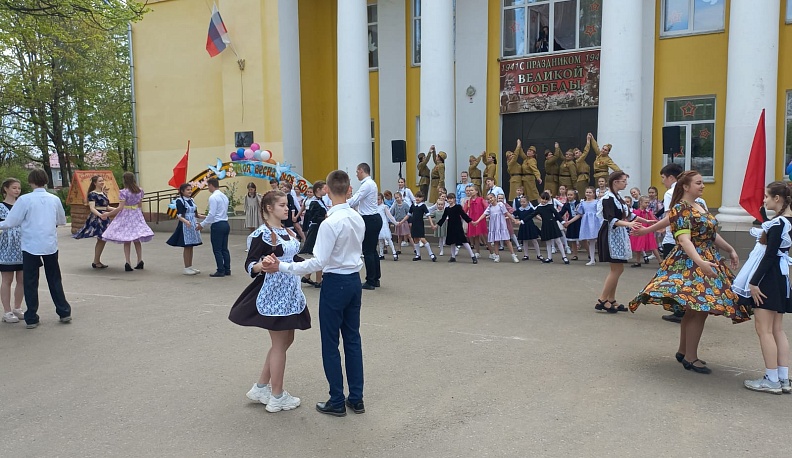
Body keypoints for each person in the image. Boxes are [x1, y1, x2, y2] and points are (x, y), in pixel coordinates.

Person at [261, 169, 366, 417]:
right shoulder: (357, 217)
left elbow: (317, 262)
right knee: (352, 339)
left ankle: (337, 399)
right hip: (353, 280)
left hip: (336, 282)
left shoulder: (331, 222)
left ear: (327, 190)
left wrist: (283, 266)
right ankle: (357, 398)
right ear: (349, 188)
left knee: (330, 343)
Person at [629, 171, 748, 374]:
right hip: (692, 262)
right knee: (699, 310)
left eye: (703, 182)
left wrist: (730, 249)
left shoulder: (698, 206)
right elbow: (684, 239)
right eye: (698, 183)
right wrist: (700, 261)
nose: (702, 186)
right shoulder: (681, 208)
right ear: (685, 186)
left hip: (705, 259)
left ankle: (684, 351)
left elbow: (711, 234)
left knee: (695, 310)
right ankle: (691, 357)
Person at [230, 190, 310, 413]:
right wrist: (261, 265)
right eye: (282, 205)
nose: (287, 209)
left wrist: (311, 267)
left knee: (286, 341)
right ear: (269, 208)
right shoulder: (261, 234)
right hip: (273, 296)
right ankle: (277, 396)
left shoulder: (288, 231)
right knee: (279, 344)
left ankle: (261, 387)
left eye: (287, 205)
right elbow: (250, 265)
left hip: (291, 293)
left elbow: (292, 259)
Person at [731, 181, 792, 393]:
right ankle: (783, 378)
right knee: (777, 329)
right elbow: (776, 246)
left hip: (768, 277)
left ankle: (771, 379)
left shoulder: (778, 224)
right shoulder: (785, 221)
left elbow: (769, 255)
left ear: (777, 198)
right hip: (780, 277)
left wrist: (754, 282)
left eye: (767, 196)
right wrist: (765, 219)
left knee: (764, 329)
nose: (764, 200)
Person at [0, 168, 71, 329]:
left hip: (30, 245)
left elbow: (11, 222)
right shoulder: (54, 199)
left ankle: (32, 317)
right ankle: (64, 311)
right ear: (46, 180)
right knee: (55, 279)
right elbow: (61, 220)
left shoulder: (25, 200)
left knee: (30, 281)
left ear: (30, 181)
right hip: (50, 244)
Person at [594, 172, 643, 313]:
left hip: (617, 233)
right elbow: (611, 219)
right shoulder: (608, 199)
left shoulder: (618, 197)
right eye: (623, 181)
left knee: (617, 268)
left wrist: (645, 221)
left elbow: (629, 214)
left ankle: (611, 299)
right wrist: (629, 225)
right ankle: (602, 299)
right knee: (617, 269)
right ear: (615, 182)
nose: (626, 183)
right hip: (610, 234)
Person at [102, 172, 154, 272]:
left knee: (127, 239)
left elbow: (120, 208)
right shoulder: (140, 190)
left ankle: (128, 262)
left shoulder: (123, 192)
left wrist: (108, 214)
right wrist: (139, 215)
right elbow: (139, 205)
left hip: (126, 215)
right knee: (137, 239)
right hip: (136, 214)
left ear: (124, 180)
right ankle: (140, 261)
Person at [347, 163, 381, 290]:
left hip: (369, 219)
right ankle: (376, 278)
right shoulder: (371, 183)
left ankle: (371, 280)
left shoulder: (366, 185)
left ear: (361, 170)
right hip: (373, 218)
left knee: (367, 250)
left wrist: (340, 203)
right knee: (372, 250)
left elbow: (355, 199)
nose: (356, 174)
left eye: (357, 172)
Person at [72, 175, 113, 269]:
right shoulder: (92, 194)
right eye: (100, 181)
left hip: (104, 217)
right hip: (97, 218)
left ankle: (97, 261)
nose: (102, 182)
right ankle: (96, 261)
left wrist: (118, 210)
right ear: (95, 183)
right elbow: (92, 208)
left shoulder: (103, 193)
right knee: (101, 239)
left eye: (102, 180)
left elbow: (106, 207)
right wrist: (100, 215)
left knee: (102, 239)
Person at [166, 183, 204, 275]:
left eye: (190, 189)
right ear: (182, 191)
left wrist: (207, 217)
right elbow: (179, 215)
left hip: (193, 224)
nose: (190, 191)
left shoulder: (192, 200)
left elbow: (196, 214)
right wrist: (186, 222)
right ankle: (186, 267)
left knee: (191, 246)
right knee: (187, 246)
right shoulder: (180, 201)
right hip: (185, 226)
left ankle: (190, 266)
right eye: (187, 189)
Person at [471, 193, 520, 263]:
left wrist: (514, 220)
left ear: (495, 198)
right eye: (488, 199)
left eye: (491, 198)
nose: (490, 200)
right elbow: (484, 214)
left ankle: (513, 255)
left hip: (502, 225)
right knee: (496, 241)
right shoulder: (490, 207)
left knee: (507, 240)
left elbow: (507, 213)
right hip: (494, 226)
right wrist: (477, 221)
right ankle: (497, 256)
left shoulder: (500, 205)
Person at [0, 178, 23, 323]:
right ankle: (7, 311)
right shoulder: (1, 206)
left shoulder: (22, 205)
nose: (17, 191)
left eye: (19, 188)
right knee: (7, 279)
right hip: (6, 248)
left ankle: (18, 307)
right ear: (6, 189)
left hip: (22, 246)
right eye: (14, 188)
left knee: (22, 279)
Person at [197, 178, 230, 277]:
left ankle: (220, 270)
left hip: (217, 224)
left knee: (217, 249)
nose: (208, 188)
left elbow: (212, 214)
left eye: (208, 186)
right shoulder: (224, 196)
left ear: (211, 185)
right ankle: (227, 269)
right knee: (224, 248)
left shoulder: (213, 197)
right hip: (225, 223)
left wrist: (202, 224)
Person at [436, 193, 477, 264]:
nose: (450, 200)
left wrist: (471, 221)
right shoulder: (447, 209)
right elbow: (443, 218)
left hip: (458, 226)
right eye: (448, 199)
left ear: (454, 199)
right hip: (450, 226)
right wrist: (437, 225)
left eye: (451, 199)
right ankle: (453, 256)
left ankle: (473, 256)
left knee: (464, 241)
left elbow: (463, 215)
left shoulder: (458, 207)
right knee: (452, 242)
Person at [565, 186, 601, 266]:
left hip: (595, 222)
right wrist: (569, 222)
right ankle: (592, 259)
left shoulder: (597, 202)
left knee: (597, 240)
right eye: (587, 192)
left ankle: (602, 257)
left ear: (594, 194)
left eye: (590, 192)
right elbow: (579, 215)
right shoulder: (582, 203)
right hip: (587, 223)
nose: (588, 194)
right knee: (591, 241)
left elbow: (600, 213)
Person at [532, 191, 567, 264]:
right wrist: (522, 221)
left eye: (546, 199)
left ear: (548, 200)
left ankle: (564, 256)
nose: (544, 201)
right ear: (540, 199)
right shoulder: (539, 208)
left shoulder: (550, 206)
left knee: (558, 241)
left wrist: (562, 222)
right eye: (543, 199)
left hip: (553, 224)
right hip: (545, 225)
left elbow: (557, 214)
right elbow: (532, 214)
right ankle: (549, 257)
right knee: (548, 242)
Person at [630, 196, 661, 268]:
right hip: (638, 229)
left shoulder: (648, 212)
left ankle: (660, 261)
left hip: (647, 230)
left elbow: (653, 219)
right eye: (646, 203)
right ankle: (638, 261)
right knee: (638, 246)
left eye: (648, 203)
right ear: (640, 203)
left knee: (653, 246)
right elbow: (633, 220)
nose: (647, 204)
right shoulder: (636, 212)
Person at [408, 192, 436, 262]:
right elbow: (408, 215)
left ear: (422, 198)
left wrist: (431, 224)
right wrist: (402, 222)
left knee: (422, 239)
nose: (417, 198)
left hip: (420, 224)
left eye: (419, 197)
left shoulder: (423, 206)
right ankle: (418, 255)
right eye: (416, 197)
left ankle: (431, 254)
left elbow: (428, 215)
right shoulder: (413, 205)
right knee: (416, 239)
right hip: (414, 224)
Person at [464, 185, 488, 258]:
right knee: (475, 236)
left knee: (485, 235)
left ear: (476, 191)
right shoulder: (468, 201)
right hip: (472, 220)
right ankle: (477, 252)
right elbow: (464, 211)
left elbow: (487, 208)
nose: (470, 192)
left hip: (480, 219)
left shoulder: (481, 199)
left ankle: (492, 252)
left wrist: (486, 215)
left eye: (472, 190)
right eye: (469, 191)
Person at [376, 193, 399, 261]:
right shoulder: (374, 207)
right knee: (380, 239)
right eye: (376, 199)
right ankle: (381, 254)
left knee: (388, 238)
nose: (377, 201)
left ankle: (394, 253)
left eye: (379, 199)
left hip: (384, 224)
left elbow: (389, 216)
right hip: (378, 224)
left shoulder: (384, 207)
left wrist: (395, 222)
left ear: (382, 199)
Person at [559, 189, 581, 260]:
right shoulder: (566, 204)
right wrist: (561, 220)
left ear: (574, 196)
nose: (569, 196)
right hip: (571, 222)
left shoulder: (579, 203)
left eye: (571, 195)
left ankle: (590, 254)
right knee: (573, 240)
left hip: (579, 221)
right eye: (568, 195)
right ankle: (575, 254)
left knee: (583, 240)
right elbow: (561, 213)